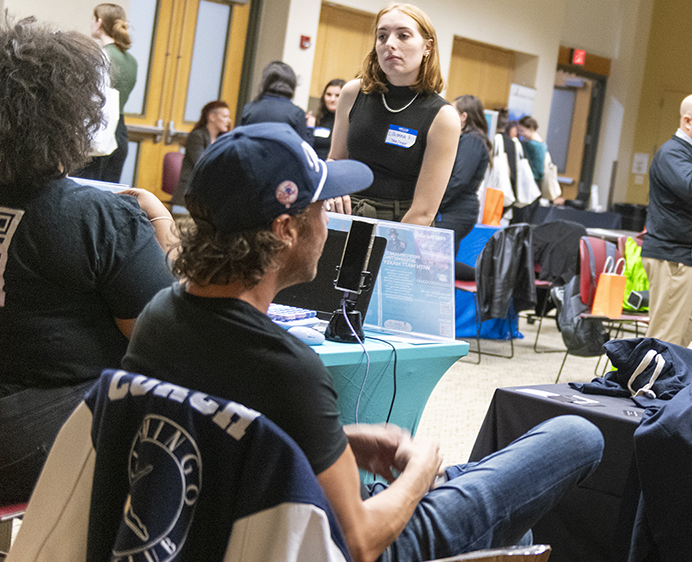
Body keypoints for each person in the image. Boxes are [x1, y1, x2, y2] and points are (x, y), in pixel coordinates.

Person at [122, 123, 604, 562]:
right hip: (326, 542)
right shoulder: (287, 366)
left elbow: (222, 437)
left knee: (511, 520)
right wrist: (420, 469)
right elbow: (359, 542)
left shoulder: (160, 316)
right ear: (285, 230)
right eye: (321, 207)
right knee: (577, 437)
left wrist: (341, 442)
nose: (329, 221)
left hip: (232, 521)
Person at [0, 16, 176, 504]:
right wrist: (161, 226)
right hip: (27, 446)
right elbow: (167, 337)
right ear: (74, 116)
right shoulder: (97, 216)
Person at [329, 2, 461, 227]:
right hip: (343, 216)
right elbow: (335, 159)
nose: (390, 44)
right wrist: (331, 187)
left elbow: (424, 211)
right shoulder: (353, 93)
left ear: (427, 47)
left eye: (403, 35)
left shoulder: (442, 116)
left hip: (400, 225)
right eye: (382, 36)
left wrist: (391, 250)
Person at [642, 94, 692, 346]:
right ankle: (645, 386)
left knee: (682, 341)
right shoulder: (671, 153)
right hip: (672, 257)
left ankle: (667, 386)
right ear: (687, 122)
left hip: (690, 258)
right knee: (664, 339)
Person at [72, 3, 136, 183]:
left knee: (85, 189)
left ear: (99, 22)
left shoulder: (102, 56)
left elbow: (91, 96)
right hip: (120, 132)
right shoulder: (131, 61)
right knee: (108, 192)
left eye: (93, 19)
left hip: (100, 130)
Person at [435, 94, 489, 250]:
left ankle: (477, 275)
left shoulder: (472, 141)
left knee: (436, 260)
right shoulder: (471, 140)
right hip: (456, 208)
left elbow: (459, 180)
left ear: (463, 116)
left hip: (457, 210)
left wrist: (435, 203)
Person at [174, 100, 232, 206]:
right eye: (225, 116)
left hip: (210, 194)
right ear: (212, 117)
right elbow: (202, 164)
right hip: (190, 194)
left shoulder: (223, 140)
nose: (228, 121)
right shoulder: (197, 136)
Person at [240, 61, 312, 142]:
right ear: (292, 85)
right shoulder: (297, 114)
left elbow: (239, 143)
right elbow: (304, 150)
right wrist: (310, 127)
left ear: (265, 82)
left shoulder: (249, 109)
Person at [309, 78, 346, 159]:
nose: (332, 99)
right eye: (328, 94)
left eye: (337, 95)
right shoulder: (316, 121)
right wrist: (310, 128)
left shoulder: (347, 124)